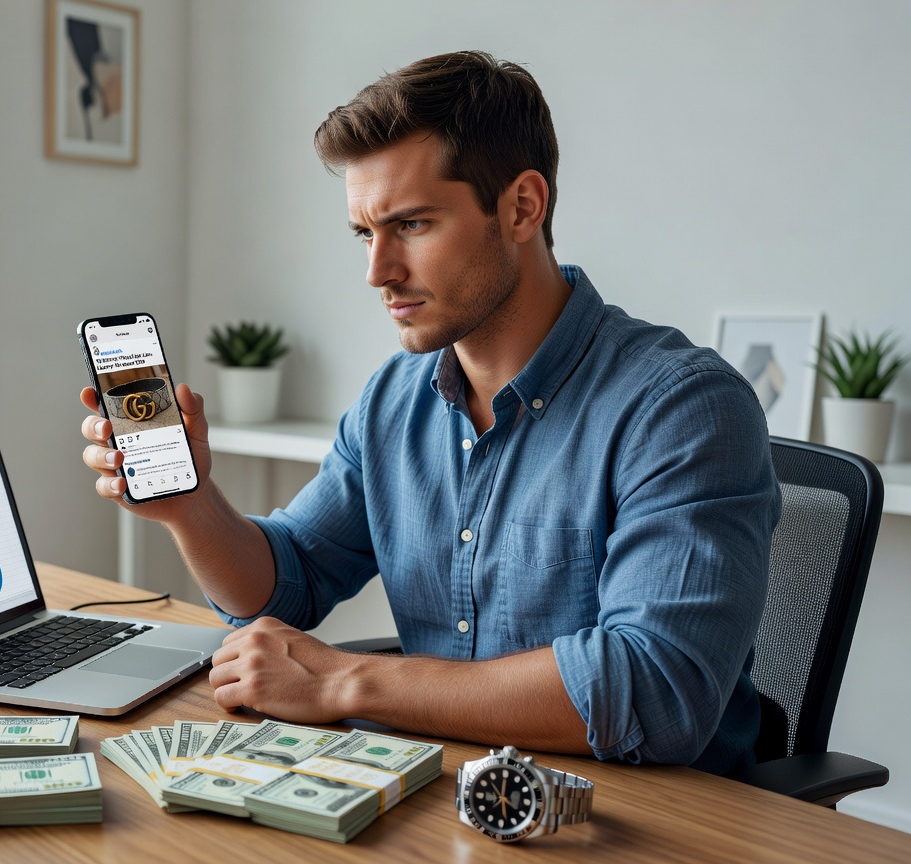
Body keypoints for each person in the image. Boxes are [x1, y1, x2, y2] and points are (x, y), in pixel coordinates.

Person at [80, 50, 780, 774]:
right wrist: (191, 506)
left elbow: (655, 690)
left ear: (522, 207)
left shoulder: (684, 408)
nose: (377, 271)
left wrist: (347, 682)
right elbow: (289, 580)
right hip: (441, 788)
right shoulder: (396, 398)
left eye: (411, 225)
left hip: (648, 812)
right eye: (365, 233)